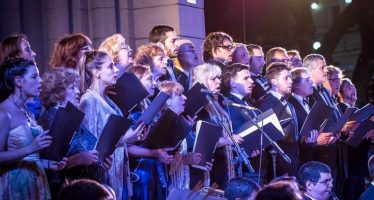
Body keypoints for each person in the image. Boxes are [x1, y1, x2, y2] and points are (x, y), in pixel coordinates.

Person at [38, 68, 113, 198]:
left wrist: (102, 162)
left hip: (87, 189)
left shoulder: (69, 116)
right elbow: (51, 168)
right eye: (72, 88)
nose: (78, 91)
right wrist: (77, 160)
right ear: (57, 93)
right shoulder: (52, 119)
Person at [78, 51, 144, 200]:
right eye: (110, 66)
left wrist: (132, 136)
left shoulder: (108, 99)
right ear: (97, 73)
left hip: (118, 169)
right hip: (105, 173)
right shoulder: (88, 100)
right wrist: (125, 138)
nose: (115, 70)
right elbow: (92, 145)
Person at [0, 58, 66, 199]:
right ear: (18, 81)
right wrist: (31, 148)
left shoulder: (28, 112)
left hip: (35, 181)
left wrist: (48, 164)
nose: (40, 81)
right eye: (34, 76)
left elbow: (30, 158)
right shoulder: (4, 114)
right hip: (14, 186)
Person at [304, 54, 357, 197]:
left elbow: (331, 120)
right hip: (321, 154)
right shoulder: (310, 93)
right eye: (322, 67)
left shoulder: (323, 92)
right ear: (310, 70)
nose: (325, 71)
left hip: (334, 153)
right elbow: (314, 123)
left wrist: (343, 131)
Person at [190, 63, 243, 189]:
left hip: (224, 165)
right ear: (203, 81)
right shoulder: (199, 108)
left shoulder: (215, 104)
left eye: (219, 78)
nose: (219, 81)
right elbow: (200, 140)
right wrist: (227, 140)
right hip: (210, 167)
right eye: (214, 79)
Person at [221, 63, 263, 184]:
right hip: (245, 168)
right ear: (233, 83)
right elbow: (236, 131)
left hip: (257, 164)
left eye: (250, 77)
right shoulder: (229, 104)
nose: (251, 81)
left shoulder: (247, 102)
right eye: (245, 78)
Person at [257, 62, 299, 178]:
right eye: (286, 78)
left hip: (293, 162)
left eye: (290, 77)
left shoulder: (290, 104)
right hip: (277, 167)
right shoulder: (265, 104)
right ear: (274, 82)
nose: (291, 81)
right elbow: (266, 138)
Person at [288, 67, 333, 165]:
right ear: (295, 85)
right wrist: (314, 142)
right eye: (307, 80)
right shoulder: (290, 105)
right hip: (302, 161)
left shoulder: (312, 101)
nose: (312, 82)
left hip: (318, 157)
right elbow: (293, 138)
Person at [0, 34, 41, 119]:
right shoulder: (4, 112)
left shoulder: (31, 93)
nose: (34, 53)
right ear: (14, 57)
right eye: (27, 49)